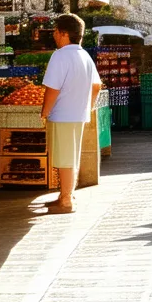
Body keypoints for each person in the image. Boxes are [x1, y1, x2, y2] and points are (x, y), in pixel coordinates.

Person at [39, 14, 102, 214]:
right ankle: (66, 194)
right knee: (71, 156)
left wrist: (45, 111)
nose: (55, 36)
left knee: (65, 158)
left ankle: (66, 200)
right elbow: (97, 86)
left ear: (64, 34)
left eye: (56, 32)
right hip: (77, 114)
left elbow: (52, 89)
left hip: (62, 114)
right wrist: (88, 106)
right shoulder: (84, 55)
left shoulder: (60, 55)